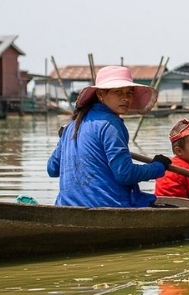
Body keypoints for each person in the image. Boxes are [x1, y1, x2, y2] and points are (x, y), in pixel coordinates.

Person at [46, 65, 171, 208]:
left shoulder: (70, 127)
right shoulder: (111, 124)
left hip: (66, 207)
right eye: (118, 92)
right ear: (100, 94)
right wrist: (158, 167)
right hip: (109, 206)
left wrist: (62, 141)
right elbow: (125, 174)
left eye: (129, 93)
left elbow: (52, 169)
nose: (125, 98)